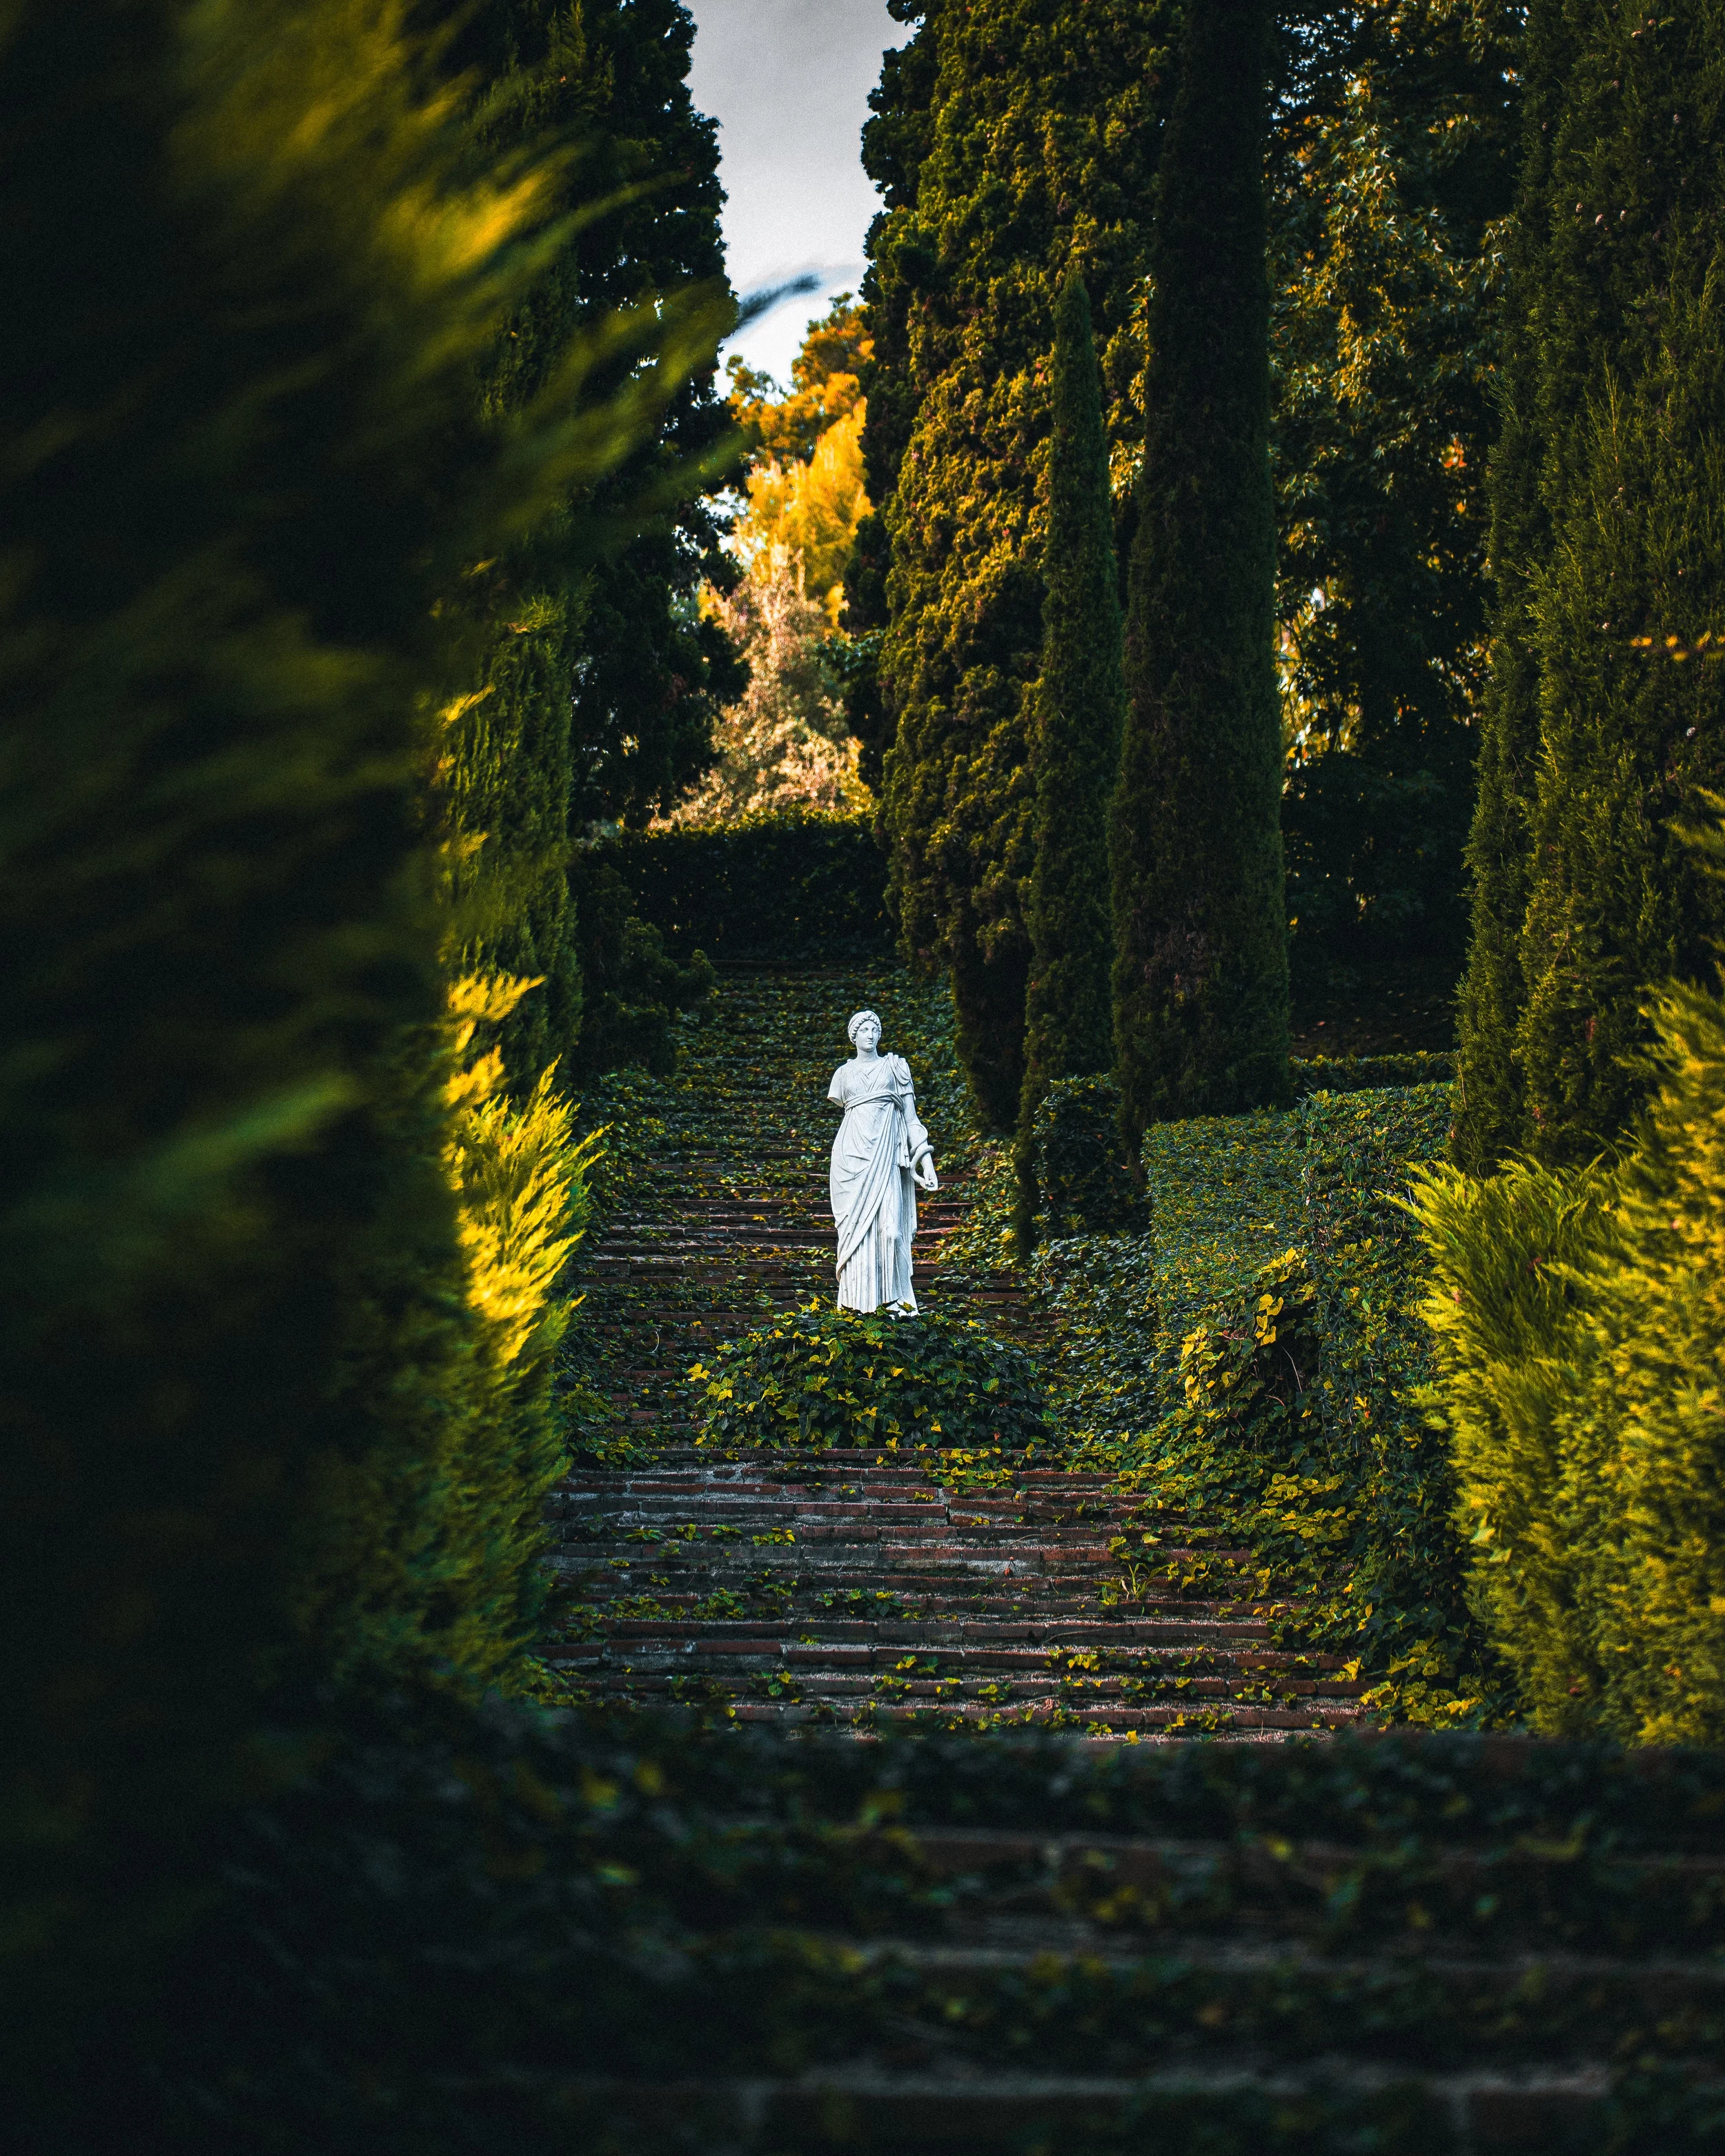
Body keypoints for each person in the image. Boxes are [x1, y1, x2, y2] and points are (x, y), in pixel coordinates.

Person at [827, 1009, 938, 1313]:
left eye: (875, 1029)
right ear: (854, 1036)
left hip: (887, 1156)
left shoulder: (896, 1067)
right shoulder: (843, 1075)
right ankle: (855, 1307)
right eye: (864, 1030)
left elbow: (912, 1119)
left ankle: (894, 1305)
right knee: (854, 1233)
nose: (871, 1034)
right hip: (850, 1157)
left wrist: (926, 1160)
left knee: (892, 1232)